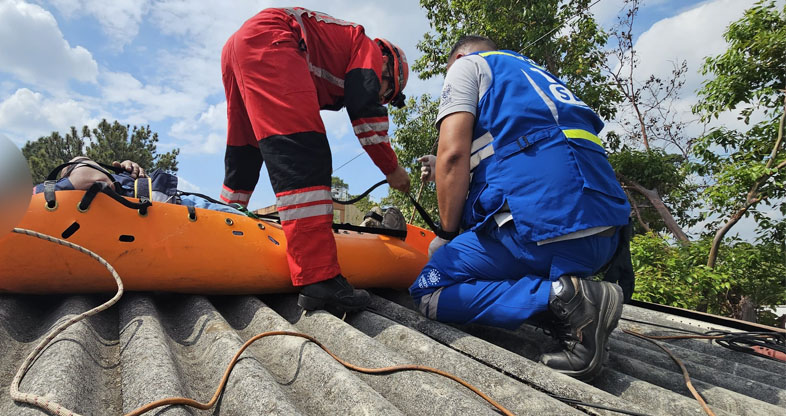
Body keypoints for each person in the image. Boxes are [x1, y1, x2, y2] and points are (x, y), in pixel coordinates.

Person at [410, 36, 632, 381]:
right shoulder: (537, 75)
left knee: (428, 289)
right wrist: (439, 162)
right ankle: (572, 316)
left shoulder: (467, 67)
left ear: (458, 57)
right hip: (604, 238)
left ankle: (563, 297)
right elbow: (518, 148)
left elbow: (452, 156)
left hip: (543, 230)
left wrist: (446, 235)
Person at [220, 7, 412, 313]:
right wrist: (393, 170)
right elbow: (365, 111)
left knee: (245, 149)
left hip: (239, 45)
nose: (381, 97)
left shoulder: (339, 48)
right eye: (387, 93)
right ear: (389, 69)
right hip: (273, 38)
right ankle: (319, 278)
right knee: (305, 155)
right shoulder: (369, 50)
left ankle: (221, 224)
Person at [34, 156, 243, 216]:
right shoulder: (71, 178)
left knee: (244, 219)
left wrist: (125, 169)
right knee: (245, 222)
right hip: (179, 207)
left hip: (180, 203)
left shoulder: (85, 176)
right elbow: (89, 178)